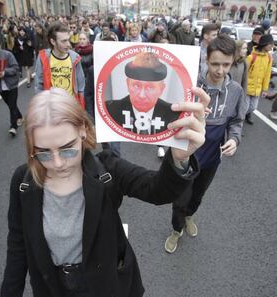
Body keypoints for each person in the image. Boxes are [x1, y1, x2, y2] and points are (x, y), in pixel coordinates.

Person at [0, 86, 209, 297]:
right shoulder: (23, 182)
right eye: (43, 153)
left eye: (68, 148)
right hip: (52, 287)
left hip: (104, 285)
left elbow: (157, 190)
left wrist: (179, 159)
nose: (57, 163)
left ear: (83, 129)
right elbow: (18, 245)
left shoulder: (107, 170)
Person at [165, 34, 247, 254]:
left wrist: (234, 138)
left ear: (233, 61)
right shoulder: (190, 84)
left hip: (212, 157)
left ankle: (189, 216)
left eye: (226, 64)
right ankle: (176, 229)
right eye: (215, 64)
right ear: (206, 59)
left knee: (198, 195)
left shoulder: (236, 91)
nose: (220, 70)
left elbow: (236, 120)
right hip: (185, 152)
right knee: (180, 197)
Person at [106, 51, 181, 135]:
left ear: (161, 89)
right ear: (128, 84)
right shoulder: (109, 110)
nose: (142, 95)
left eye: (150, 87)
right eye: (136, 86)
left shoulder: (173, 115)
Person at [35, 22, 85, 108]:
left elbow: (81, 86)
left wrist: (80, 108)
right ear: (53, 41)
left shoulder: (75, 58)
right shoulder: (43, 58)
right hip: (52, 108)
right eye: (64, 41)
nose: (68, 45)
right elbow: (39, 85)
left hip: (71, 106)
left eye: (68, 40)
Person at [245, 34, 273, 125]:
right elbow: (244, 73)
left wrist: (265, 89)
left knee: (253, 107)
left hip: (257, 89)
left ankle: (241, 115)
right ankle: (237, 122)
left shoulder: (269, 58)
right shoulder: (251, 57)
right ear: (265, 44)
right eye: (270, 44)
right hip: (247, 88)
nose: (272, 46)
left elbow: (267, 74)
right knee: (245, 107)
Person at [74, 32, 94, 119]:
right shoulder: (75, 51)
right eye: (80, 39)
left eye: (84, 39)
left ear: (88, 40)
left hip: (89, 81)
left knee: (88, 101)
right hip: (79, 81)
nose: (82, 41)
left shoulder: (93, 51)